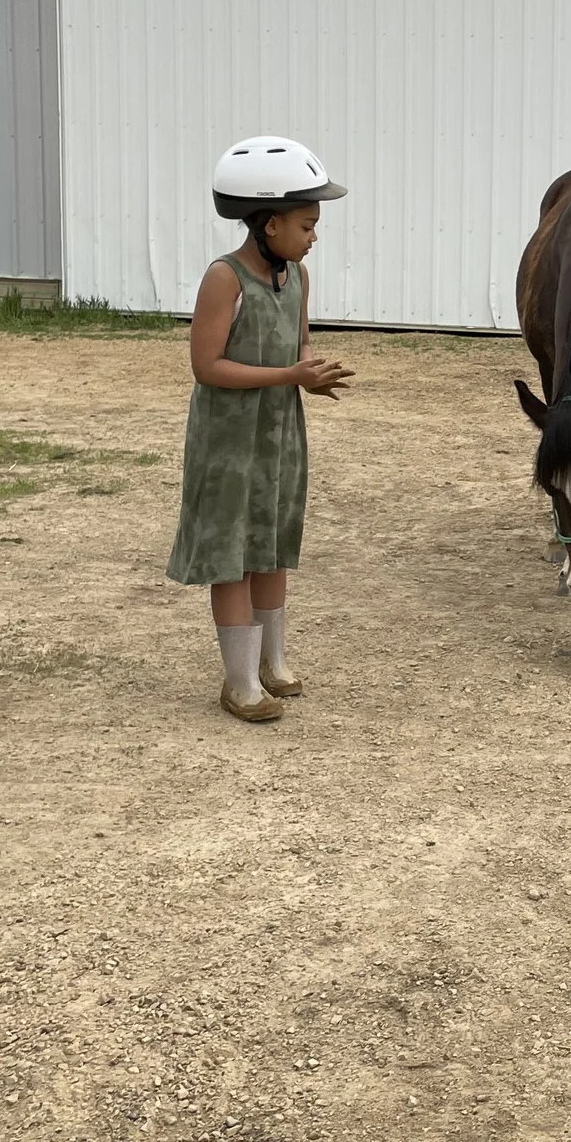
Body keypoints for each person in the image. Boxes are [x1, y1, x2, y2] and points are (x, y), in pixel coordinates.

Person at [167, 136, 356, 723]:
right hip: (228, 441)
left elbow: (298, 344)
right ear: (269, 224)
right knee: (232, 553)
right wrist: (288, 373)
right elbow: (207, 366)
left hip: (278, 435)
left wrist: (309, 375)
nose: (314, 236)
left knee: (271, 544)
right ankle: (240, 682)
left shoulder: (294, 278)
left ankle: (273, 661)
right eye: (306, 224)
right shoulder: (224, 279)